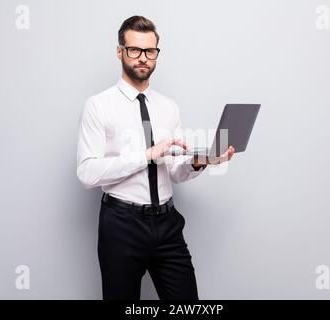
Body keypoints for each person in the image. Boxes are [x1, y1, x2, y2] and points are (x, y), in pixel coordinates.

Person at [76, 15, 235, 300]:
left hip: (167, 223)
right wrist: (146, 155)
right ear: (120, 51)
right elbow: (87, 173)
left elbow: (173, 171)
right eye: (134, 50)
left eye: (150, 51)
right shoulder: (98, 106)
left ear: (156, 53)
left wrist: (199, 162)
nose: (142, 58)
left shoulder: (168, 107)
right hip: (121, 225)